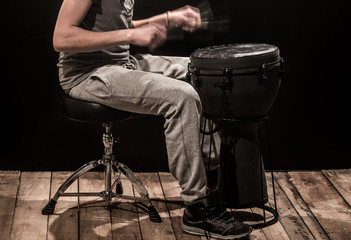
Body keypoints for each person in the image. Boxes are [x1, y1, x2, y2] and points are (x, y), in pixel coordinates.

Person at [53, 0, 252, 238]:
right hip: (88, 75)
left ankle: (212, 186)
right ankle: (198, 208)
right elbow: (61, 37)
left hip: (123, 64)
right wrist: (131, 34)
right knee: (182, 96)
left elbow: (116, 25)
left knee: (204, 71)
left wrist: (168, 18)